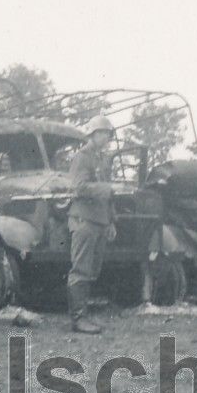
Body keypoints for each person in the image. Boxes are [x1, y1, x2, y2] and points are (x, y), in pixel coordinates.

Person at [66, 115, 118, 334]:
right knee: (81, 269)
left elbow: (108, 195)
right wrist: (106, 188)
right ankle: (78, 319)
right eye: (102, 133)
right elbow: (78, 187)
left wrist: (111, 221)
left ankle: (83, 314)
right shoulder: (82, 157)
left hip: (99, 221)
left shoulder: (102, 159)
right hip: (84, 220)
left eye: (108, 134)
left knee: (92, 270)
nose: (106, 137)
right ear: (93, 134)